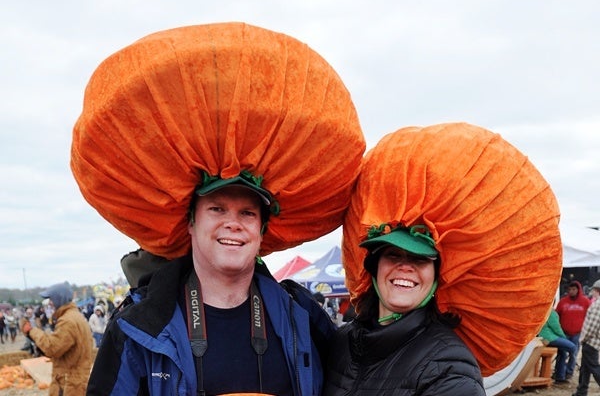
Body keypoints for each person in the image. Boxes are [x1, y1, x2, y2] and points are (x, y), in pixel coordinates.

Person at [87, 172, 336, 395]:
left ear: (261, 233)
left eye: (247, 213)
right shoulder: (138, 327)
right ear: (191, 224)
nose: (233, 224)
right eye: (217, 209)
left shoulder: (304, 318)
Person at [323, 224, 485, 395]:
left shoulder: (449, 366)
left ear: (435, 279)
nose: (405, 266)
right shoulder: (342, 341)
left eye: (420, 258)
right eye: (393, 255)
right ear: (374, 270)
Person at [19, 282, 94, 396]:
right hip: (76, 381)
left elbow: (52, 348)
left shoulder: (68, 321)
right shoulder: (75, 316)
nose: (50, 303)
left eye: (51, 299)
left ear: (59, 299)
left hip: (68, 384)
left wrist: (31, 331)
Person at [556, 280, 591, 380]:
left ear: (578, 290)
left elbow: (590, 316)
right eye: (570, 289)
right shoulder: (563, 301)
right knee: (562, 353)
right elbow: (557, 315)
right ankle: (560, 374)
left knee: (573, 353)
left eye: (574, 289)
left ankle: (569, 372)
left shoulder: (585, 302)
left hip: (578, 333)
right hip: (563, 332)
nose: (571, 291)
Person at [573, 279, 600, 396]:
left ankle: (581, 391)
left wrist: (583, 339)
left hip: (590, 341)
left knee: (594, 367)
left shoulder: (597, 306)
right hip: (594, 341)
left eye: (593, 290)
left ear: (597, 290)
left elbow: (592, 326)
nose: (592, 292)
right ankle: (581, 391)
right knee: (585, 367)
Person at [538, 306, 577, 383]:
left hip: (542, 337)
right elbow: (556, 328)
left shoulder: (542, 310)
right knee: (573, 347)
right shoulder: (551, 312)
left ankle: (560, 376)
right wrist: (564, 338)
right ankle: (568, 371)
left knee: (562, 352)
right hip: (549, 337)